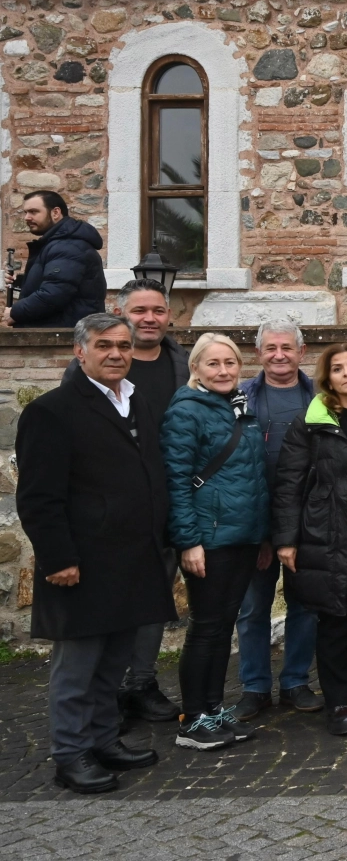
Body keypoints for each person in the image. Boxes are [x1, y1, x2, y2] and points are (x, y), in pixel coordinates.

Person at [17, 314, 174, 793]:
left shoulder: (137, 402)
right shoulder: (52, 410)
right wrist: (58, 558)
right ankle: (71, 754)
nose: (116, 354)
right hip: (82, 564)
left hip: (133, 559)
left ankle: (105, 740)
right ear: (79, 351)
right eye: (104, 345)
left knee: (114, 664)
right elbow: (39, 497)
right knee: (78, 668)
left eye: (123, 346)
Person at [59, 279, 188, 724]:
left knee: (152, 600)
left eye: (157, 310)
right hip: (109, 518)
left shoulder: (184, 365)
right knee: (110, 606)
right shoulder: (84, 377)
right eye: (139, 311)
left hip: (169, 504)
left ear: (168, 317)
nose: (149, 318)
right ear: (121, 314)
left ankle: (142, 683)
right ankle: (102, 698)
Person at [272, 343, 347, 737]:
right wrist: (286, 540)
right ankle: (340, 700)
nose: (346, 373)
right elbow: (289, 484)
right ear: (327, 377)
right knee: (336, 618)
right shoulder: (310, 421)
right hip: (328, 532)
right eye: (338, 368)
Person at [162, 332, 270, 751]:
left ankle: (211, 708)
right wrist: (188, 542)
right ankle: (192, 719)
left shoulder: (238, 407)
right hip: (209, 538)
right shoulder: (186, 412)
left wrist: (261, 535)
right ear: (196, 370)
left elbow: (254, 478)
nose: (223, 370)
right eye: (213, 364)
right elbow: (176, 481)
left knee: (223, 628)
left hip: (241, 535)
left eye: (230, 363)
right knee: (206, 628)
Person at [233, 321, 321, 719]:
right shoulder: (239, 398)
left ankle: (295, 682)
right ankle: (254, 687)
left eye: (287, 347)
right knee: (252, 608)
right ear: (258, 354)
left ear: (302, 353)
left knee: (305, 604)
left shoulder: (319, 398)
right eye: (270, 348)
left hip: (307, 518)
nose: (279, 355)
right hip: (253, 518)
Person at [3, 190, 107, 329]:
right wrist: (20, 281)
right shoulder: (59, 244)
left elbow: (54, 295)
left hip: (62, 338)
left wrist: (15, 312)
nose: (27, 217)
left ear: (56, 213)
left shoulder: (68, 246)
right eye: (25, 212)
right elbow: (58, 282)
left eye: (33, 212)